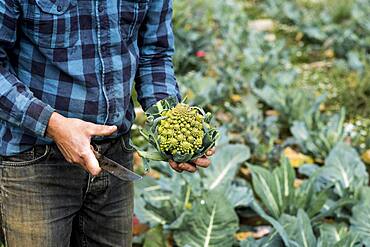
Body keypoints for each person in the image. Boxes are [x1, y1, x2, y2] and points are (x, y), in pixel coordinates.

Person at [0, 0, 214, 246]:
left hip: (115, 160)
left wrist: (170, 126)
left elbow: (154, 54)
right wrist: (53, 124)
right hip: (36, 160)